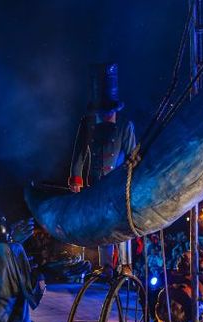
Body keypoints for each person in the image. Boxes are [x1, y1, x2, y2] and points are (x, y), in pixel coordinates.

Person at [68, 63, 136, 275]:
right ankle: (106, 265)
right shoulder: (87, 124)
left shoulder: (125, 125)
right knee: (102, 223)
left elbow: (133, 155)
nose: (106, 115)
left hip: (119, 183)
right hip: (96, 183)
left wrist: (132, 180)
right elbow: (79, 152)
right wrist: (76, 178)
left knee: (122, 224)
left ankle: (125, 264)